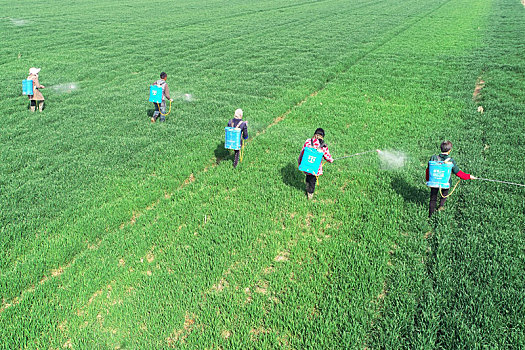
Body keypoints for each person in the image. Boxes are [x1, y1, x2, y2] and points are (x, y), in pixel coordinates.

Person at [426, 140, 476, 217]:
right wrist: (469, 176)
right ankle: (440, 207)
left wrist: (428, 179)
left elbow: (428, 170)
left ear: (440, 148)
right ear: (449, 150)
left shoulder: (433, 157)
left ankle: (430, 215)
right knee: (444, 195)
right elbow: (458, 173)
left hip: (434, 182)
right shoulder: (450, 161)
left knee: (433, 198)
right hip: (445, 183)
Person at [298, 128, 333, 200]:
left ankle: (307, 186)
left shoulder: (308, 141)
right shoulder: (323, 145)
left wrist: (299, 162)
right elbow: (327, 156)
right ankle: (310, 195)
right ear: (322, 136)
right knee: (312, 182)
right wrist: (331, 160)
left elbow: (302, 151)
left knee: (308, 177)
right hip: (315, 169)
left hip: (306, 166)